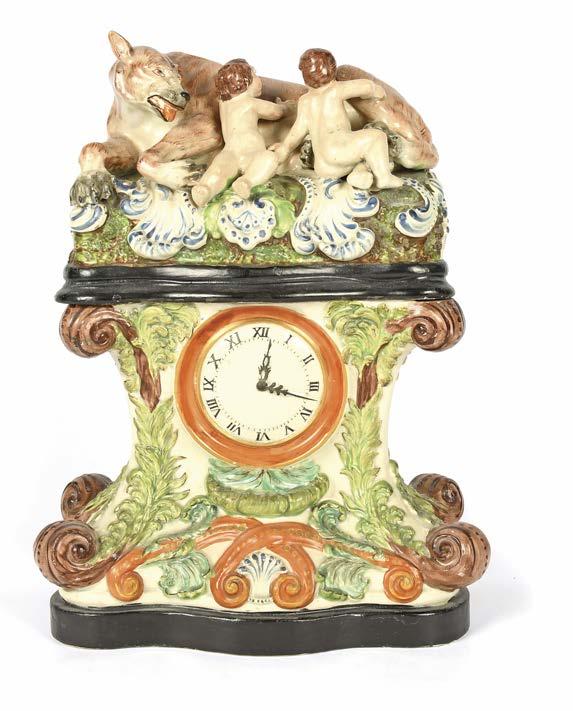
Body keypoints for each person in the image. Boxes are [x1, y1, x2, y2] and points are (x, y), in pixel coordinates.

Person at [273, 49, 403, 190]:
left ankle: (358, 174)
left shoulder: (305, 101)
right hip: (339, 152)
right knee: (377, 137)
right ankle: (384, 178)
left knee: (363, 155)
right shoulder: (335, 90)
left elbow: (298, 130)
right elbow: (365, 86)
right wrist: (376, 90)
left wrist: (284, 148)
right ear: (332, 69)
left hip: (322, 166)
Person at [191, 59, 287, 206]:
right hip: (251, 152)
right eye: (255, 75)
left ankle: (205, 189)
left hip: (229, 153)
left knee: (218, 171)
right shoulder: (250, 103)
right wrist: (284, 106)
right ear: (245, 82)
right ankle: (247, 181)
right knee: (269, 158)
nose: (259, 79)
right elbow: (276, 113)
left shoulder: (224, 103)